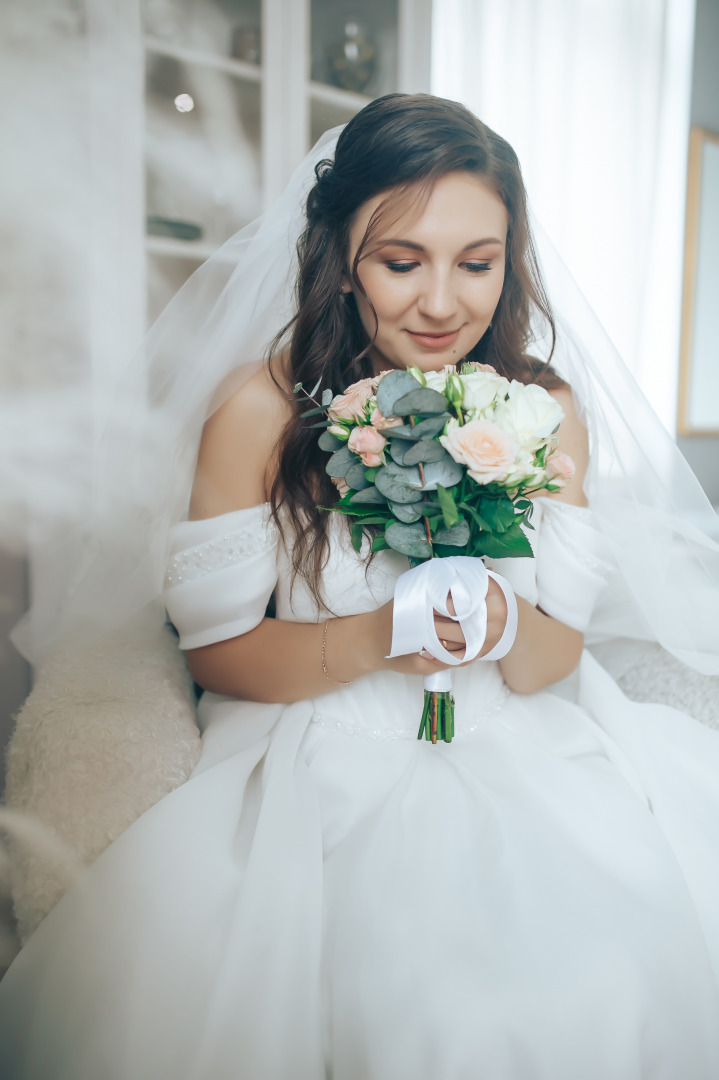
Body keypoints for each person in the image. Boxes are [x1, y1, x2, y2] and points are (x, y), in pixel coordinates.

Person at [2, 92, 719, 1079]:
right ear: (341, 259)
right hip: (325, 753)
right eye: (399, 262)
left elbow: (555, 658)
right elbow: (217, 655)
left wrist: (506, 620)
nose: (441, 304)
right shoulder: (259, 408)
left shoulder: (539, 408)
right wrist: (379, 635)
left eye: (477, 263)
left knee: (595, 973)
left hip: (521, 740)